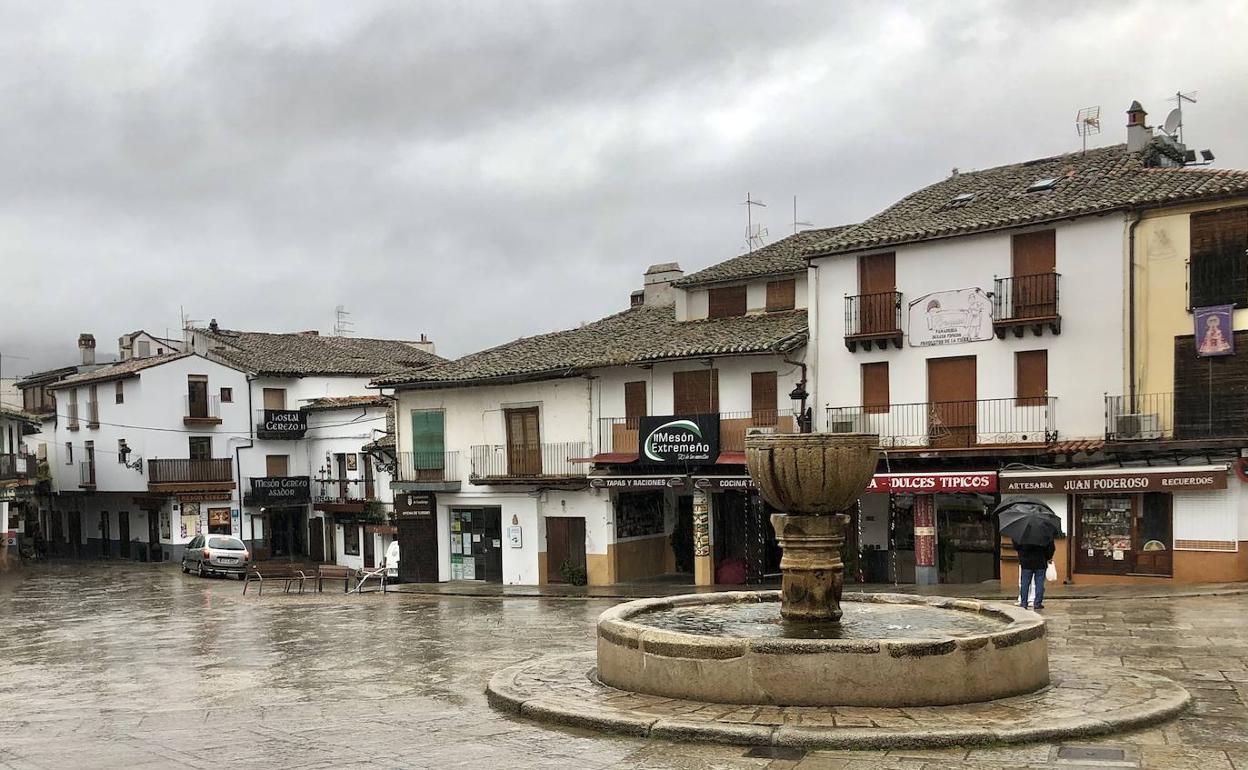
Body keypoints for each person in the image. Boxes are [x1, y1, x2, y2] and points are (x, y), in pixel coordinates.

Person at [1015, 539, 1055, 610]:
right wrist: (1047, 557)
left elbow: (1016, 545)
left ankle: (1023, 603)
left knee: (1025, 583)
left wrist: (1022, 555)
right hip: (1041, 561)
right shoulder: (1045, 532)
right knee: (1039, 583)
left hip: (1026, 562)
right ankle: (1037, 603)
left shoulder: (1023, 532)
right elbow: (1051, 548)